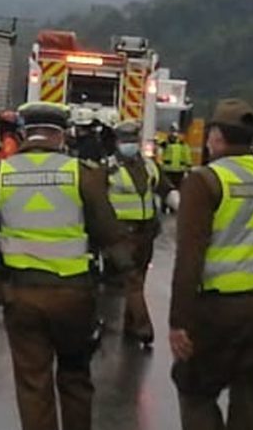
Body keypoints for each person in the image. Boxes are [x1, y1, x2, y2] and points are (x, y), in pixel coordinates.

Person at [0, 101, 132, 430]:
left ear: (23, 134)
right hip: (74, 296)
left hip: (21, 295)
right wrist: (124, 274)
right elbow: (108, 232)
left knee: (33, 382)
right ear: (62, 135)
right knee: (75, 377)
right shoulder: (81, 175)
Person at [169, 98, 253, 430]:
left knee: (195, 393)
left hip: (218, 313)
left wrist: (178, 320)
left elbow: (189, 257)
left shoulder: (205, 181)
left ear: (217, 136)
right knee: (249, 395)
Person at [108, 121, 173, 346]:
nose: (130, 145)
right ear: (117, 143)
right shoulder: (108, 168)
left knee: (138, 281)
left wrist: (180, 206)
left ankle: (130, 326)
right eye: (125, 140)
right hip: (121, 234)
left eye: (133, 140)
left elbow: (166, 188)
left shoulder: (149, 166)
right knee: (132, 280)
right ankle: (145, 329)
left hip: (146, 233)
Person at [160, 123, 192, 213]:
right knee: (166, 190)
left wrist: (188, 167)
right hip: (167, 170)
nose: (173, 134)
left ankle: (173, 208)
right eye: (172, 131)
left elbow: (187, 155)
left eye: (175, 132)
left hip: (179, 171)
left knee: (176, 191)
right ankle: (164, 207)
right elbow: (159, 149)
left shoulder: (182, 144)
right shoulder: (165, 143)